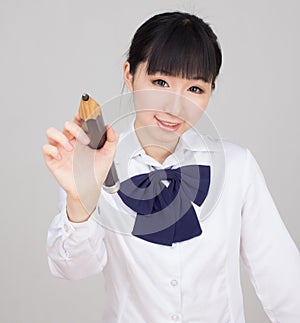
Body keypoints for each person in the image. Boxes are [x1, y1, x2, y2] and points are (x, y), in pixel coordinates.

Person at [42, 11, 300, 323]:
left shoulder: (236, 166)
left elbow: (283, 279)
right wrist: (80, 196)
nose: (175, 107)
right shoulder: (93, 162)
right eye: (161, 82)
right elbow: (74, 268)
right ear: (129, 73)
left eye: (195, 89)